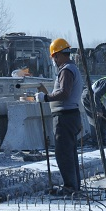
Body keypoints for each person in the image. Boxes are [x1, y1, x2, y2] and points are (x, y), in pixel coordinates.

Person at [35, 38, 83, 193]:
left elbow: (64, 92)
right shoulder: (72, 68)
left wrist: (46, 97)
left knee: (64, 154)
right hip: (71, 115)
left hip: (65, 117)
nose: (54, 61)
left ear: (58, 55)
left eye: (54, 57)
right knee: (70, 153)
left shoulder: (66, 70)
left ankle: (70, 187)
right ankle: (74, 185)